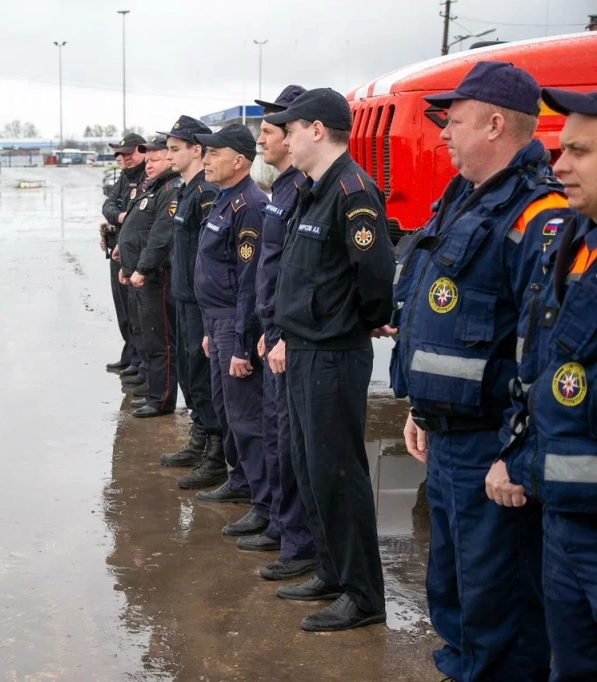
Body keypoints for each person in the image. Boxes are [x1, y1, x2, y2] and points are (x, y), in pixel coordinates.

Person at [391, 62, 570, 679]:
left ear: (495, 124)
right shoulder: (462, 199)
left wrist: (516, 454)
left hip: (490, 445)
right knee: (454, 591)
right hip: (448, 437)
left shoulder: (538, 216)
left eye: (455, 121)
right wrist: (419, 407)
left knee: (502, 608)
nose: (442, 134)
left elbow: (543, 351)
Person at [264, 88, 393, 632]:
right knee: (310, 466)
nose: (284, 139)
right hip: (305, 349)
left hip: (334, 354)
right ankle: (331, 569)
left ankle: (363, 595)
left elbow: (375, 278)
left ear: (317, 130)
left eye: (290, 129)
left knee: (339, 473)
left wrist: (351, 323)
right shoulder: (313, 191)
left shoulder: (352, 191)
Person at [492, 87, 597, 682]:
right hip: (564, 516)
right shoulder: (576, 241)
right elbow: (542, 368)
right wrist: (518, 453)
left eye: (578, 152)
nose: (558, 166)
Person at [239, 86, 319, 581]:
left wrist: (280, 330)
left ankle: (298, 540)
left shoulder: (299, 191)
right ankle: (278, 523)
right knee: (274, 434)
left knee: (292, 445)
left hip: (292, 338)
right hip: (274, 331)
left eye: (270, 130)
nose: (262, 140)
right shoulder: (282, 190)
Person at [191, 123, 273, 528]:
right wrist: (210, 329)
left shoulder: (250, 206)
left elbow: (248, 283)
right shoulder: (225, 200)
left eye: (213, 154)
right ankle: (240, 478)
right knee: (226, 409)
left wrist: (242, 344)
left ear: (238, 160)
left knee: (246, 415)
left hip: (234, 323)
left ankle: (263, 502)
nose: (206, 160)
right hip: (217, 321)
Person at [157, 116, 225, 487]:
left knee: (202, 376)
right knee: (188, 373)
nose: (168, 156)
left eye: (174, 149)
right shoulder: (185, 190)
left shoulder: (205, 194)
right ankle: (198, 440)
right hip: (183, 298)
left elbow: (210, 255)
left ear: (196, 150)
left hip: (201, 302)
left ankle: (215, 455)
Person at [116, 135, 182, 418]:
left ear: (168, 160)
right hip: (140, 273)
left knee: (161, 341)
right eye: (149, 160)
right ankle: (153, 390)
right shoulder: (152, 186)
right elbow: (136, 225)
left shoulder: (170, 189)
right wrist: (127, 263)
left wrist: (141, 269)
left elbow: (159, 236)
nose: (150, 165)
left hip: (157, 274)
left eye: (155, 160)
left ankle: (161, 399)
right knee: (149, 337)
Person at [103, 133, 149, 386]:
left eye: (129, 153)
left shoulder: (147, 178)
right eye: (120, 155)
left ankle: (140, 363)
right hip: (119, 251)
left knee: (137, 313)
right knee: (123, 309)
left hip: (136, 254)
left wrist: (122, 217)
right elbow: (108, 206)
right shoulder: (124, 178)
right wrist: (120, 217)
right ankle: (129, 355)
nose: (124, 159)